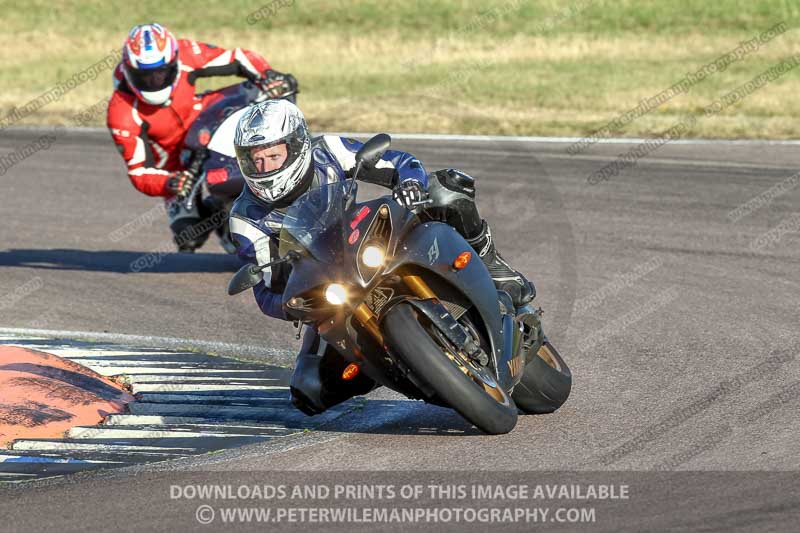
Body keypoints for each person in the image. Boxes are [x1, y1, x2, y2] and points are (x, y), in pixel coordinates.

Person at [230, 99, 535, 415]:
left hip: (370, 236)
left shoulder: (329, 150)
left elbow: (398, 161)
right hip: (329, 284)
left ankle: (491, 262)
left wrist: (410, 184)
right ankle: (407, 368)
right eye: (256, 160)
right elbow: (264, 288)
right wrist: (290, 307)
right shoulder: (245, 218)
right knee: (310, 390)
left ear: (296, 147)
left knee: (446, 186)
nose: (264, 168)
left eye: (273, 156)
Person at [107, 22, 297, 252]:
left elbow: (238, 57)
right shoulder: (121, 111)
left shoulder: (186, 53)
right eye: (144, 76)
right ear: (128, 70)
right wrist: (170, 182)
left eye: (161, 72)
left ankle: (291, 153)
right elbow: (139, 172)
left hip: (208, 119)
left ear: (173, 61)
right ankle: (219, 210)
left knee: (277, 87)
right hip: (178, 166)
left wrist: (268, 74)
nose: (154, 81)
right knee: (189, 235)